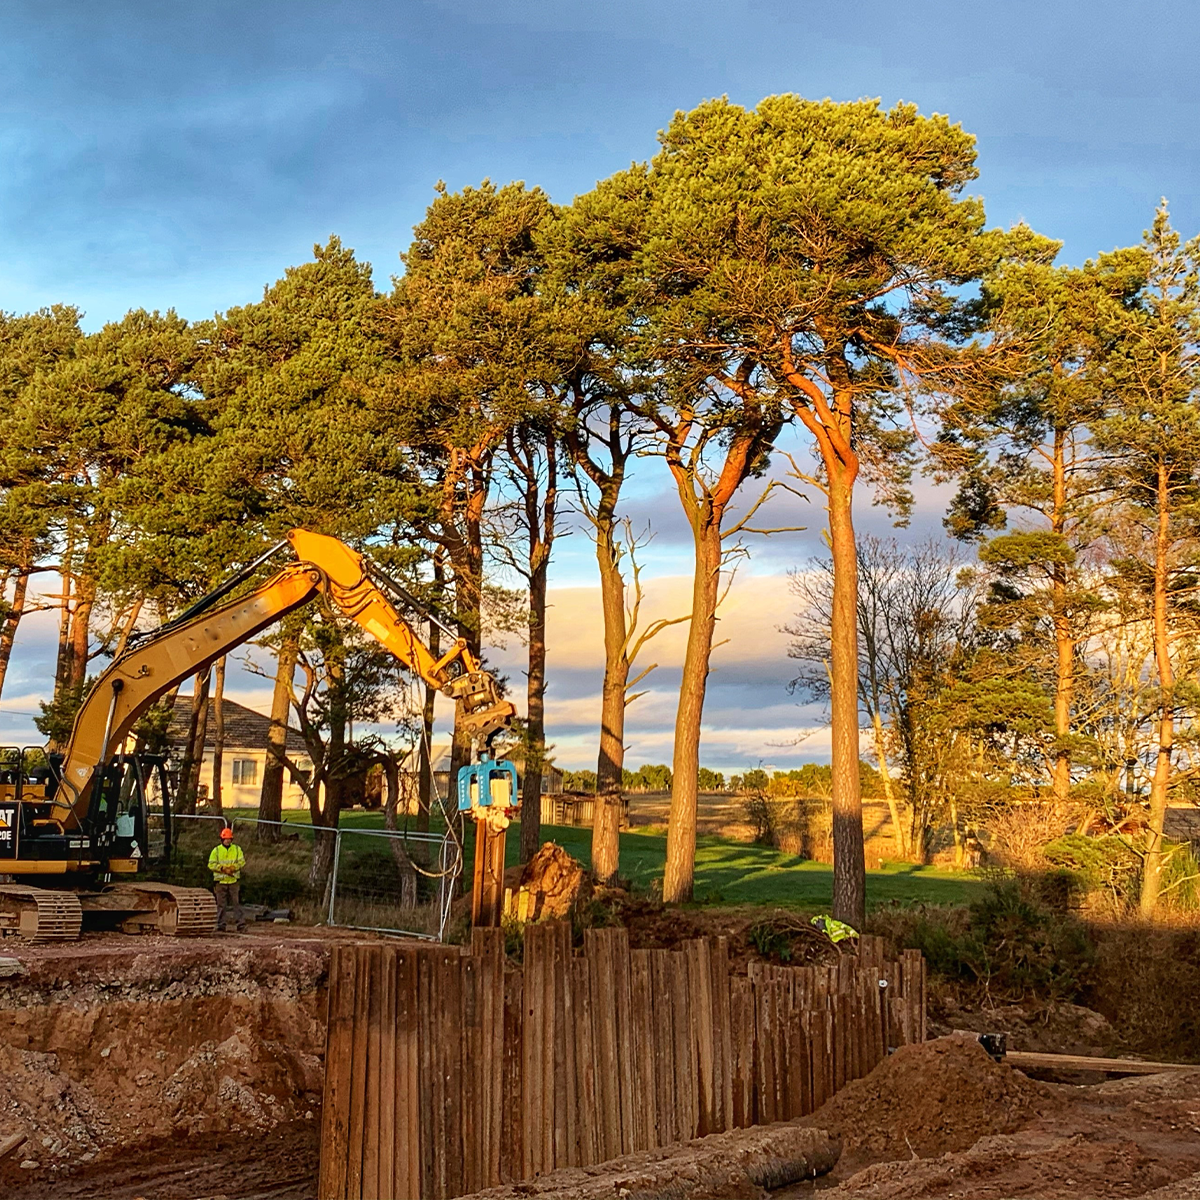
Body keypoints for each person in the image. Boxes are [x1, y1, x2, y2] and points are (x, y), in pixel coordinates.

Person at [208, 825, 246, 933]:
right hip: (220, 882)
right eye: (226, 839)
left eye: (229, 839)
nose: (228, 841)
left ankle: (241, 924)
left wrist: (233, 868)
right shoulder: (216, 851)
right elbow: (211, 864)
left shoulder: (237, 849)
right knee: (221, 904)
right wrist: (222, 869)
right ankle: (221, 925)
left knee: (236, 903)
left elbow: (242, 861)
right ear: (222, 839)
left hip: (233, 881)